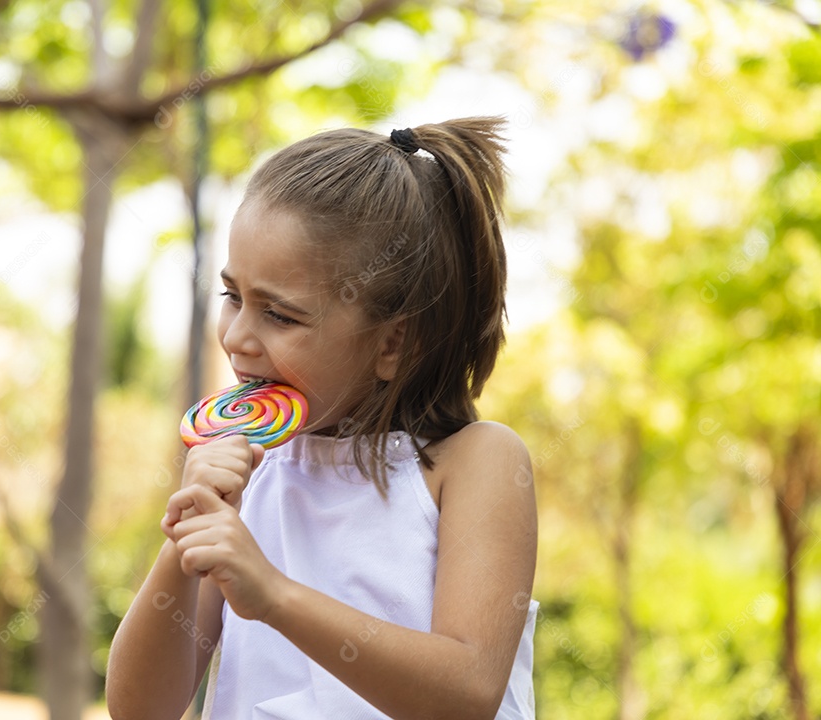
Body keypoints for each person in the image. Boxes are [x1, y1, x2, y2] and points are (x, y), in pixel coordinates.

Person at [106, 118, 539, 720]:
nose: (236, 337)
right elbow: (140, 710)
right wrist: (189, 534)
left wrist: (274, 595)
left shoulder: (474, 461)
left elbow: (467, 694)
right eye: (232, 296)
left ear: (394, 343)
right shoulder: (253, 472)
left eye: (280, 315)